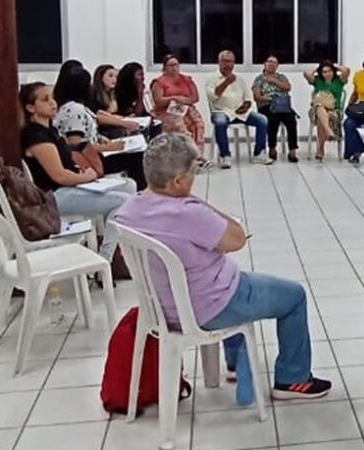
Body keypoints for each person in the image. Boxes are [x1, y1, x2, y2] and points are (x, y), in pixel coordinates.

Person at [115, 133, 332, 404]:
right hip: (209, 307)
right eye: (192, 171)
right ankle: (293, 378)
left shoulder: (128, 210)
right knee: (294, 295)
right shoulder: (188, 213)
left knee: (231, 281)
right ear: (177, 181)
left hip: (161, 308)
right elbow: (237, 239)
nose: (194, 177)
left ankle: (233, 363)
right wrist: (197, 202)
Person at [19, 82, 134, 263]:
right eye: (45, 100)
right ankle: (107, 257)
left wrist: (83, 174)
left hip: (71, 187)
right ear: (30, 107)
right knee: (123, 202)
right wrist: (86, 177)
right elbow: (59, 176)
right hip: (55, 196)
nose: (53, 103)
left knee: (129, 185)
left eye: (53, 97)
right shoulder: (37, 136)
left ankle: (117, 241)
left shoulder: (50, 130)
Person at [52, 67, 147, 190]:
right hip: (90, 159)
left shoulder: (79, 107)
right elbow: (76, 146)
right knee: (137, 157)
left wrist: (101, 138)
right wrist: (109, 147)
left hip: (96, 150)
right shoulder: (74, 110)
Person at [206, 50, 269, 169]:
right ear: (219, 62)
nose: (228, 64)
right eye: (225, 61)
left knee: (262, 120)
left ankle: (259, 153)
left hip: (240, 112)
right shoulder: (212, 78)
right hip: (221, 111)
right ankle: (225, 155)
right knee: (220, 122)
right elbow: (212, 97)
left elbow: (248, 98)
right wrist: (226, 82)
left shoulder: (239, 79)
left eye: (231, 62)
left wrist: (245, 106)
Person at [150, 55, 206, 158]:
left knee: (198, 124)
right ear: (165, 67)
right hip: (166, 111)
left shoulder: (187, 80)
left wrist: (183, 100)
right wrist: (174, 98)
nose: (174, 68)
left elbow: (195, 97)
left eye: (176, 65)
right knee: (180, 126)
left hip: (185, 108)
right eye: (171, 65)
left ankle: (198, 155)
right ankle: (185, 156)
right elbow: (158, 101)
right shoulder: (159, 82)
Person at [252, 55, 299, 163]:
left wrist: (274, 80)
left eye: (274, 62)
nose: (271, 64)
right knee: (273, 120)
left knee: (291, 120)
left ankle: (292, 150)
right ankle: (272, 148)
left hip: (282, 105)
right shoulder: (259, 79)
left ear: (277, 65)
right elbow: (257, 96)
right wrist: (270, 99)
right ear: (264, 64)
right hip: (266, 105)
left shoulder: (281, 77)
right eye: (269, 61)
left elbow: (287, 87)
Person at [303, 60, 350, 161]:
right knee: (320, 108)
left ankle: (320, 149)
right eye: (324, 72)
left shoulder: (339, 80)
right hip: (316, 110)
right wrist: (317, 69)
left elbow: (346, 70)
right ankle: (328, 131)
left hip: (334, 110)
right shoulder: (318, 81)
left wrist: (335, 66)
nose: (327, 74)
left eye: (329, 71)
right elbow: (306, 73)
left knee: (322, 118)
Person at [90, 64, 142, 139]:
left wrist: (127, 117)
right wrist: (121, 121)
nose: (114, 79)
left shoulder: (116, 94)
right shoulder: (93, 94)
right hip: (102, 131)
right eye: (110, 76)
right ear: (101, 78)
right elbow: (97, 117)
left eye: (116, 77)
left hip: (116, 126)